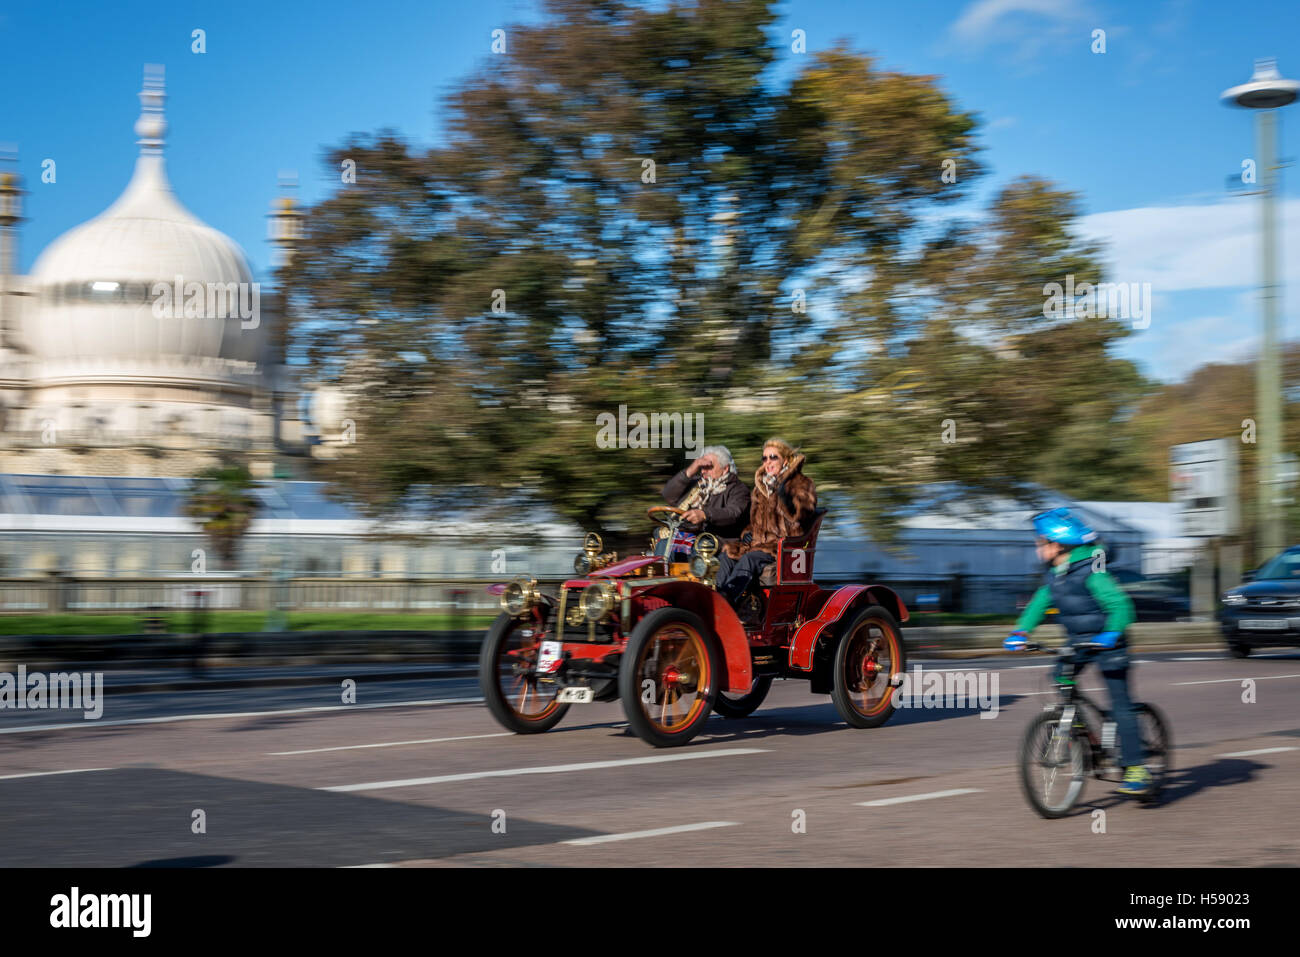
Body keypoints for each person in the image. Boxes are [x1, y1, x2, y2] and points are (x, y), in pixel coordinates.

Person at [1003, 507, 1150, 795]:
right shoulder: (1054, 575)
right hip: (1079, 642)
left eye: (1040, 541)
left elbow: (1121, 606)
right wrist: (1021, 632)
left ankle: (1136, 769)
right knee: (1060, 678)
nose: (1037, 546)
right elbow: (1039, 603)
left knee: (1121, 704)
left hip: (1110, 642)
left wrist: (1112, 632)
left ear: (1055, 545)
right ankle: (1079, 730)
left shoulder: (1093, 573)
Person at [717, 438, 817, 605]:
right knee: (726, 555)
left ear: (785, 460)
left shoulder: (802, 483)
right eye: (764, 458)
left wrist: (785, 498)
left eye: (773, 457)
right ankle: (717, 597)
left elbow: (803, 516)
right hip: (757, 545)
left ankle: (726, 601)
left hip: (783, 547)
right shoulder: (760, 488)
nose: (768, 462)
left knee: (749, 559)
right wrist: (748, 533)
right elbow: (754, 522)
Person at [660, 445, 750, 545]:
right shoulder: (697, 484)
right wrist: (691, 470)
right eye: (701, 467)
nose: (703, 471)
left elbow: (733, 513)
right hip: (689, 533)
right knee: (663, 540)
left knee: (696, 544)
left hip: (718, 540)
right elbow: (668, 495)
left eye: (708, 467)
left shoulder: (738, 489)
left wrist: (705, 515)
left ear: (725, 469)